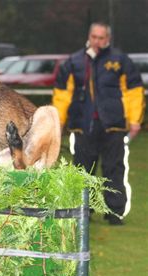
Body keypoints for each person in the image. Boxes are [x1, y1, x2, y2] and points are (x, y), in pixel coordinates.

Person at [52, 22, 145, 225]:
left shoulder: (120, 61)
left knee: (114, 170)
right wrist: (57, 122)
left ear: (108, 39)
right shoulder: (74, 62)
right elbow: (62, 95)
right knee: (83, 171)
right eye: (94, 37)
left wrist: (135, 120)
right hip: (83, 127)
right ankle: (84, 210)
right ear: (89, 37)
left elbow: (133, 91)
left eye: (101, 37)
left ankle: (114, 213)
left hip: (113, 126)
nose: (97, 41)